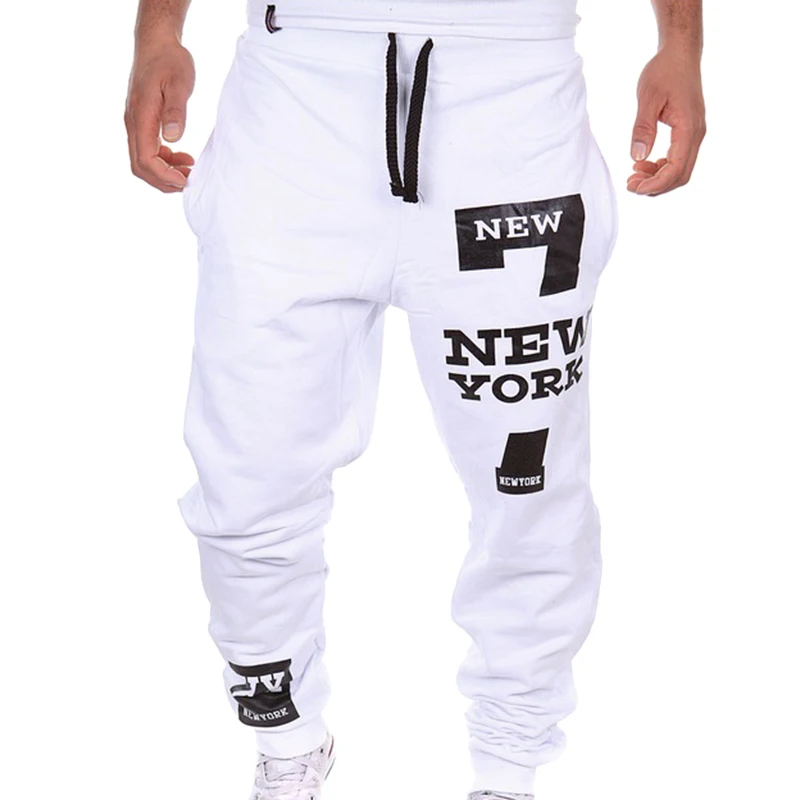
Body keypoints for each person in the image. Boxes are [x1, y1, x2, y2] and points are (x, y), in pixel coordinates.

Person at [125, 1, 705, 799]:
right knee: (246, 475)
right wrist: (159, 33)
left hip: (511, 94)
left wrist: (680, 43)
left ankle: (507, 765)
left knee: (527, 482)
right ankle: (284, 736)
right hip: (295, 100)